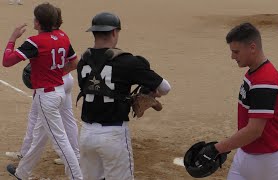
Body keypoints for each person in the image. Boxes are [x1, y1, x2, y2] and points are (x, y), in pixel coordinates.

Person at [196, 23, 278, 180]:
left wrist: (217, 149)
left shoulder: (265, 81)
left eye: (236, 52)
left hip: (272, 161)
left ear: (252, 47)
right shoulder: (254, 72)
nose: (232, 57)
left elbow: (254, 130)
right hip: (247, 153)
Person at [77, 12, 171, 180]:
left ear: (94, 32)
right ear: (114, 32)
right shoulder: (128, 61)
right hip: (113, 135)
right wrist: (150, 91)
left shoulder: (83, 61)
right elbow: (165, 88)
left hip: (86, 135)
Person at [3, 3, 82, 180]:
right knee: (41, 136)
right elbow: (75, 63)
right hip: (60, 91)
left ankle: (77, 177)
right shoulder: (62, 36)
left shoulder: (35, 42)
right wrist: (56, 73)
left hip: (47, 97)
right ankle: (22, 173)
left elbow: (7, 61)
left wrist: (12, 38)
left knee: (61, 143)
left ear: (38, 23)